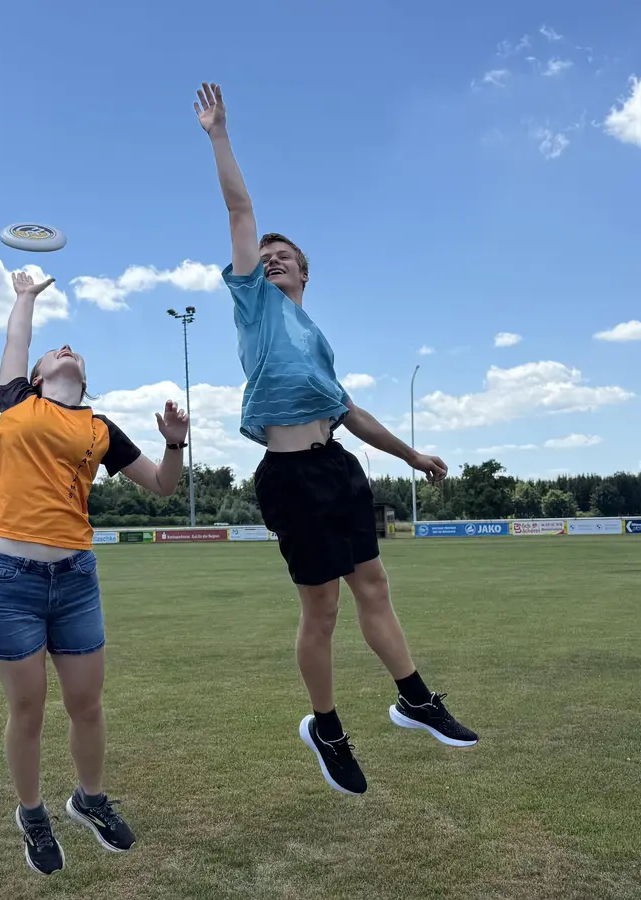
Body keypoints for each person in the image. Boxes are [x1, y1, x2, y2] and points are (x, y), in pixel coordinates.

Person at [192, 82, 479, 796]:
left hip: (339, 468)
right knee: (321, 609)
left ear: (305, 272)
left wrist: (411, 455)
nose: (272, 258)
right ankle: (326, 727)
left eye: (284, 254)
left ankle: (415, 700)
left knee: (374, 586)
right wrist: (219, 135)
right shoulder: (254, 306)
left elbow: (348, 411)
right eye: (265, 254)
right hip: (289, 476)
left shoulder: (314, 337)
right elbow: (240, 211)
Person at [0, 269, 191, 874]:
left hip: (76, 582)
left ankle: (90, 800)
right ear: (36, 377)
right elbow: (16, 339)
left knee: (87, 705)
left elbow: (163, 486)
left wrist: (174, 443)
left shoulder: (100, 429)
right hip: (10, 583)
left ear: (84, 379)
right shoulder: (19, 403)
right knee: (29, 710)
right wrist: (24, 298)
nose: (64, 348)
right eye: (52, 351)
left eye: (74, 352)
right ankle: (32, 814)